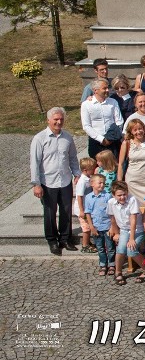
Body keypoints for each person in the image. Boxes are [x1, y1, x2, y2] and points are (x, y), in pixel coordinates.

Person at [30, 107, 81, 255]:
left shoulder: (67, 137)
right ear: (48, 120)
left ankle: (65, 238)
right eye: (56, 120)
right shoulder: (39, 138)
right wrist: (36, 184)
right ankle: (52, 240)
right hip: (48, 181)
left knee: (66, 211)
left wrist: (76, 173)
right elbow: (35, 162)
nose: (59, 122)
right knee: (50, 212)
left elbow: (72, 157)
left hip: (64, 179)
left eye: (61, 119)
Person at [108, 181, 145, 285]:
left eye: (124, 194)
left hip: (137, 230)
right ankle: (118, 272)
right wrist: (116, 232)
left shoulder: (132, 200)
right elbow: (112, 218)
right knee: (121, 249)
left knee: (131, 250)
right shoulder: (111, 202)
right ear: (114, 195)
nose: (122, 197)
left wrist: (131, 239)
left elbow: (133, 220)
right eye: (119, 195)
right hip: (123, 229)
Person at [118, 119, 145, 202]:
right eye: (135, 130)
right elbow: (120, 164)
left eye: (140, 128)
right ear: (131, 132)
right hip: (132, 181)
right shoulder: (126, 143)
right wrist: (119, 182)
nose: (138, 131)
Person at [81, 78, 124, 159]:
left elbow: (119, 122)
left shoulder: (113, 102)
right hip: (96, 141)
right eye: (104, 88)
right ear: (95, 90)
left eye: (108, 88)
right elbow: (86, 126)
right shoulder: (86, 105)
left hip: (113, 141)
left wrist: (110, 138)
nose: (107, 90)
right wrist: (102, 139)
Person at [85, 173, 114, 277]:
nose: (102, 185)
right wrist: (91, 226)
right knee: (100, 247)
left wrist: (112, 226)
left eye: (103, 183)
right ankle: (103, 264)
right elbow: (87, 212)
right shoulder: (88, 197)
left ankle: (111, 264)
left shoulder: (107, 196)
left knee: (110, 247)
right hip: (96, 226)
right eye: (100, 183)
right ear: (92, 183)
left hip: (107, 226)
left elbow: (111, 212)